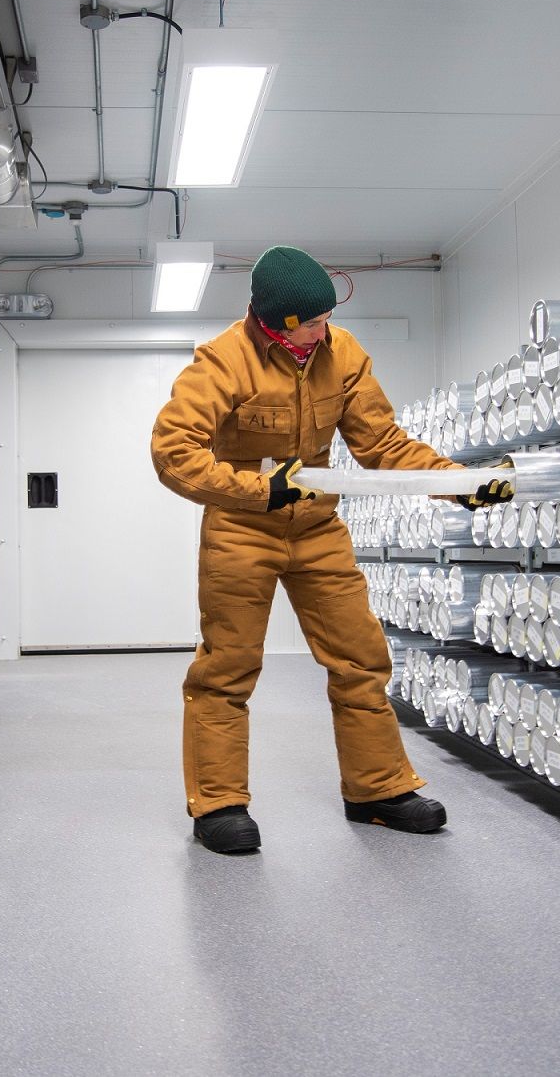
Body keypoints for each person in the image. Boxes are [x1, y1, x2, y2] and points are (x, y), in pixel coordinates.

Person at [149, 245, 514, 854]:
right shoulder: (221, 363)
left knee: (360, 658)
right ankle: (218, 804)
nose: (326, 331)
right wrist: (260, 490)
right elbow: (173, 453)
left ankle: (377, 790)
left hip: (317, 528)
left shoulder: (340, 354)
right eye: (314, 322)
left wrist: (459, 483)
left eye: (326, 319)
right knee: (227, 668)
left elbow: (383, 443)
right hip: (243, 527)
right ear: (278, 324)